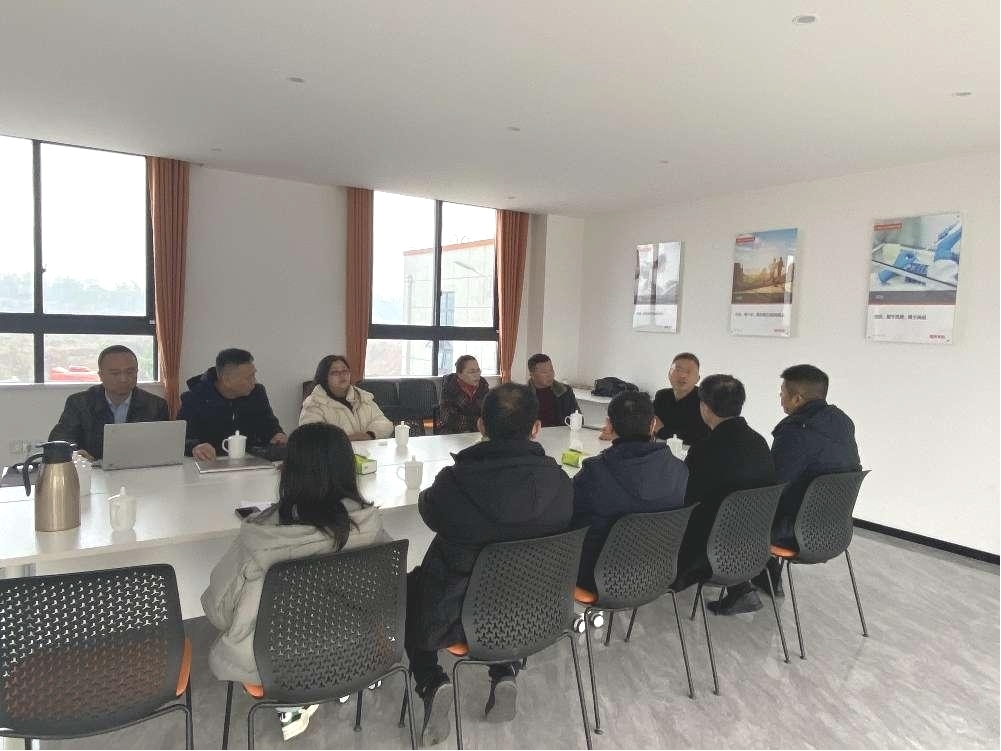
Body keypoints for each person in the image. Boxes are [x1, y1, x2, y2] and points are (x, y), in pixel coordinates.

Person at [406, 383, 573, 746]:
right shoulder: (560, 482)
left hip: (454, 614)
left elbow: (429, 512)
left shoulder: (454, 481)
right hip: (532, 609)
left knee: (411, 587)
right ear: (536, 428)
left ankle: (431, 680)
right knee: (504, 582)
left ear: (481, 425)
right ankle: (504, 670)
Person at [201, 422, 383, 741]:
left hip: (276, 660)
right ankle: (337, 679)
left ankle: (298, 696)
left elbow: (218, 610)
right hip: (354, 648)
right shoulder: (370, 526)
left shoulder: (261, 537)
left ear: (288, 472)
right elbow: (384, 593)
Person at [673, 374, 776, 615]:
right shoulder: (759, 443)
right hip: (754, 544)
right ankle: (740, 588)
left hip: (708, 551)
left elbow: (686, 502)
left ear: (705, 407)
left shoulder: (705, 450)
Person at [758, 364, 862, 595]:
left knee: (734, 515)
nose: (780, 398)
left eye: (782, 393)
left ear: (797, 399)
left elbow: (772, 485)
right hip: (835, 529)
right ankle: (765, 577)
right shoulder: (843, 423)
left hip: (795, 532)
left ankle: (740, 589)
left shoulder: (795, 432)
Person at [571, 391, 687, 592]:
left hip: (597, 578)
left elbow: (569, 518)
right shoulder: (680, 470)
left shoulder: (594, 473)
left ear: (609, 425)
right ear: (653, 424)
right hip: (657, 572)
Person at [48, 345, 169, 460]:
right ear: (101, 375)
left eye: (130, 372)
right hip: (92, 470)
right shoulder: (79, 403)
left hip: (140, 469)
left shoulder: (156, 405)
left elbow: (164, 444)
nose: (123, 379)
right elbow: (60, 439)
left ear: (137, 372)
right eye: (115, 373)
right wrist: (74, 453)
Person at [178, 348, 286, 461]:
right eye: (248, 377)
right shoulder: (194, 398)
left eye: (254, 375)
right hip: (211, 463)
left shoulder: (257, 393)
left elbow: (270, 425)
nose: (254, 382)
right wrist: (195, 447)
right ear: (227, 380)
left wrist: (277, 434)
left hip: (252, 461)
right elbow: (180, 438)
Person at [299, 355, 393, 440]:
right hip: (335, 453)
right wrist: (346, 440)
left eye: (345, 371)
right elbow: (310, 437)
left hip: (368, 451)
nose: (342, 375)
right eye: (335, 372)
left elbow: (384, 423)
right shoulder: (314, 403)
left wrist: (369, 435)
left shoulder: (363, 397)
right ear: (324, 377)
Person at [652, 352, 710, 447]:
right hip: (660, 450)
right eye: (678, 370)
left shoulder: (705, 401)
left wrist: (662, 431)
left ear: (698, 378)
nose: (682, 375)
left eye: (688, 371)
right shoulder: (662, 396)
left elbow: (699, 437)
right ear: (669, 374)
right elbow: (651, 425)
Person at [436, 355, 489, 434]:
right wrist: (476, 422)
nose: (477, 375)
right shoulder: (450, 386)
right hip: (453, 431)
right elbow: (448, 417)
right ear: (459, 374)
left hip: (478, 431)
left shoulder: (483, 385)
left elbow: (489, 412)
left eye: (478, 371)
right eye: (472, 372)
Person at [527, 353, 580, 428]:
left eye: (551, 370)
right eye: (544, 372)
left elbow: (578, 417)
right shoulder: (523, 395)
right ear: (532, 374)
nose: (550, 375)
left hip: (561, 433)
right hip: (536, 434)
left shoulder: (565, 391)